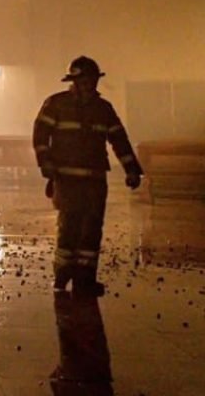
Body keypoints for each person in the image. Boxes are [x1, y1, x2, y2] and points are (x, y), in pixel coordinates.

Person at [33, 56, 142, 297]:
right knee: (69, 226)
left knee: (92, 229)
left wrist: (132, 169)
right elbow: (40, 135)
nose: (88, 84)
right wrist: (46, 163)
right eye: (83, 79)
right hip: (66, 178)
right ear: (73, 80)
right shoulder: (56, 104)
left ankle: (84, 280)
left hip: (94, 180)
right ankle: (62, 275)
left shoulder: (103, 109)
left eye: (91, 79)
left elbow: (119, 140)